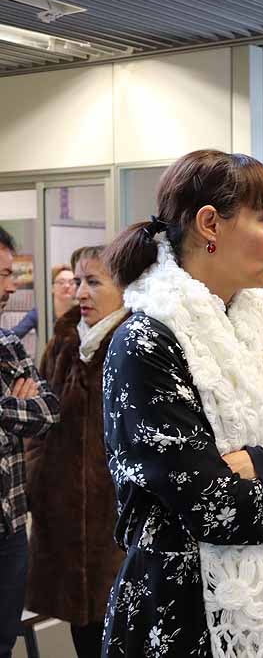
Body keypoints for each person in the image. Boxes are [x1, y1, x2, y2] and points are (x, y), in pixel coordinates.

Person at [100, 150, 263, 657]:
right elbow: (216, 508)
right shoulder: (146, 342)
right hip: (186, 613)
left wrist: (259, 461)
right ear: (209, 224)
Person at [24, 246, 126, 658]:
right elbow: (38, 424)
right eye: (78, 281)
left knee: (122, 633)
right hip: (63, 525)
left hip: (117, 529)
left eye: (94, 281)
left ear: (125, 287)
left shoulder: (135, 346)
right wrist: (38, 480)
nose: (81, 292)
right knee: (82, 635)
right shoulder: (65, 345)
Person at [0, 225, 60, 658]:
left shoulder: (7, 345)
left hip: (11, 525)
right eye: (2, 275)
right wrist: (11, 404)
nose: (10, 285)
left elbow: (47, 413)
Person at [11, 263, 76, 339]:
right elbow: (16, 334)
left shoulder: (82, 311)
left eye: (71, 283)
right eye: (61, 282)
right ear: (51, 287)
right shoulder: (41, 312)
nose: (67, 286)